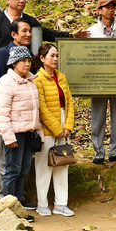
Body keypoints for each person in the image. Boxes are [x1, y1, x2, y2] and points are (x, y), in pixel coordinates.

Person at [0, 0, 89, 75]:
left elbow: (47, 34)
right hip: (2, 66)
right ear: (8, 0)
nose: (22, 1)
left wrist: (70, 35)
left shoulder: (30, 20)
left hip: (25, 67)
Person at [0, 45, 43, 220]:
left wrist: (39, 131)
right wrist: (8, 137)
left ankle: (19, 206)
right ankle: (9, 211)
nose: (27, 64)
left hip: (29, 134)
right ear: (14, 63)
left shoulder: (31, 82)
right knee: (12, 171)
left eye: (29, 60)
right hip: (14, 135)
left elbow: (34, 110)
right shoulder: (5, 83)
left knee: (23, 170)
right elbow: (2, 113)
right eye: (23, 60)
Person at [0, 19, 34, 204]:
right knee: (7, 163)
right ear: (14, 34)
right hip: (7, 119)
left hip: (25, 125)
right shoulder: (2, 54)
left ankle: (19, 198)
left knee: (21, 166)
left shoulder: (29, 71)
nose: (28, 34)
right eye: (24, 31)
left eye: (30, 31)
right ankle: (5, 200)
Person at [33, 43, 75, 217]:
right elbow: (42, 107)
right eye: (52, 55)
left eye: (57, 55)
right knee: (44, 165)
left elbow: (70, 103)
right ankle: (42, 204)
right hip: (48, 128)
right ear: (42, 58)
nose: (55, 59)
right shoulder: (38, 79)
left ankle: (61, 204)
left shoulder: (61, 77)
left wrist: (67, 127)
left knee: (62, 164)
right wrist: (57, 129)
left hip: (63, 122)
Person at [88, 0, 116, 164]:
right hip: (97, 80)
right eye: (106, 7)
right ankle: (98, 152)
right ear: (99, 10)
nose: (110, 9)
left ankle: (115, 151)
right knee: (97, 116)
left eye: (113, 7)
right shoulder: (91, 31)